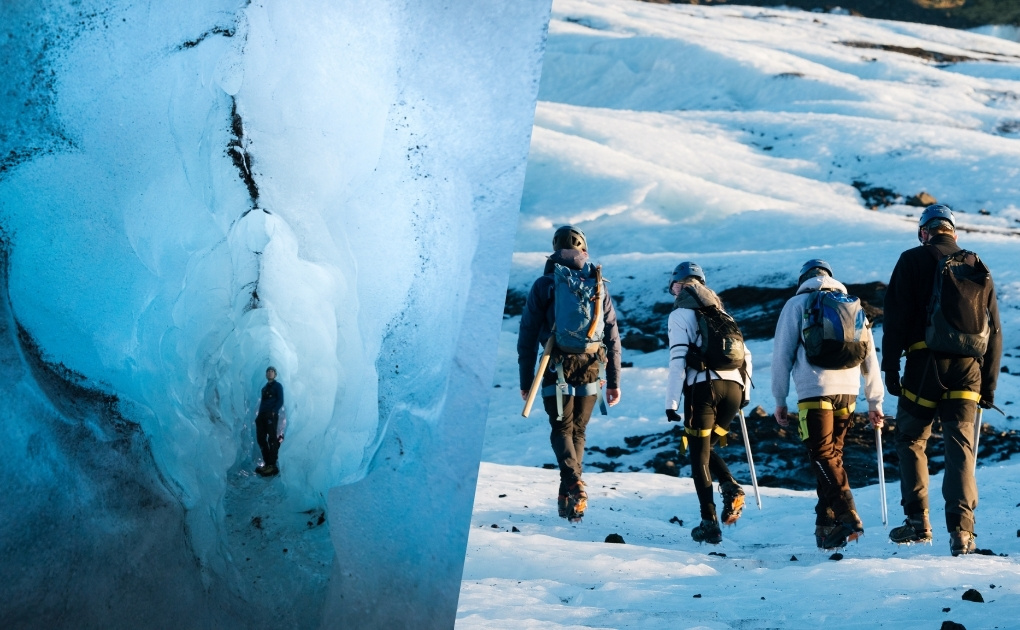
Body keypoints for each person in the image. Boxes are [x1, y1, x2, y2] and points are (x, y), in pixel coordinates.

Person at [882, 204, 1001, 555]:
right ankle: (963, 533)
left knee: (910, 438)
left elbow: (895, 317)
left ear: (924, 233)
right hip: (969, 371)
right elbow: (994, 330)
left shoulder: (911, 260)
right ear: (954, 232)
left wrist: (890, 367)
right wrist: (989, 386)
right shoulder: (976, 267)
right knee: (960, 448)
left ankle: (918, 523)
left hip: (924, 367)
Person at [772, 259, 884, 549]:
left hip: (814, 391)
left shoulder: (796, 304)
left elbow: (781, 355)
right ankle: (826, 529)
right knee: (832, 457)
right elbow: (870, 355)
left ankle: (847, 515)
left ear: (803, 279)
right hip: (848, 392)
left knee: (822, 457)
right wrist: (874, 401)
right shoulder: (852, 306)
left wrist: (779, 398)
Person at [518, 225, 622, 521]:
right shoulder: (597, 282)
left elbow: (526, 336)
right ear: (583, 250)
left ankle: (574, 484)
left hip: (555, 363)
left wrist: (526, 380)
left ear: (554, 250)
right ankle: (570, 500)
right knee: (578, 431)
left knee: (562, 429)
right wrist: (614, 380)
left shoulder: (544, 285)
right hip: (592, 364)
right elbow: (613, 336)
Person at [664, 262, 752, 545]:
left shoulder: (680, 314)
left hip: (703, 389)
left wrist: (671, 402)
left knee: (698, 456)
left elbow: (678, 358)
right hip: (734, 391)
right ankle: (730, 485)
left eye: (675, 287)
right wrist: (745, 395)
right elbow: (746, 356)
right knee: (707, 446)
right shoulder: (722, 313)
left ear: (679, 286)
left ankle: (709, 523)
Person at [255, 366, 285, 477]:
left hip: (270, 414)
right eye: (268, 371)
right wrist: (258, 416)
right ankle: (267, 464)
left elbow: (280, 400)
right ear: (266, 374)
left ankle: (272, 465)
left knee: (272, 438)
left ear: (275, 374)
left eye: (272, 371)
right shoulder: (264, 388)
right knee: (261, 439)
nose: (270, 373)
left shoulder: (278, 386)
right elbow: (262, 403)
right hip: (262, 415)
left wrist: (274, 411)